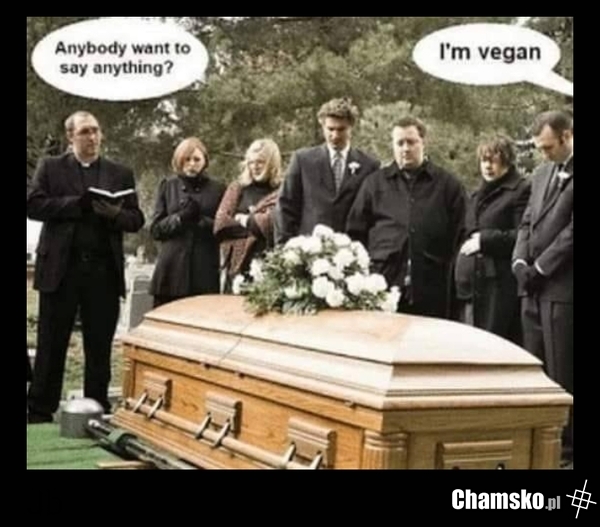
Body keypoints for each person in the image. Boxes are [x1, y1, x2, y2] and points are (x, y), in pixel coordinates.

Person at [26, 111, 145, 422]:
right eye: (85, 132)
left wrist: (114, 215)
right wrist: (75, 204)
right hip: (60, 270)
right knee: (52, 343)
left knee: (99, 345)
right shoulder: (51, 167)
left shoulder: (119, 172)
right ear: (70, 136)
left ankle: (96, 408)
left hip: (102, 272)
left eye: (96, 131)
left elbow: (136, 219)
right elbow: (33, 205)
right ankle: (39, 409)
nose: (92, 137)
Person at [347, 116, 466, 319]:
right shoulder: (374, 184)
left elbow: (461, 233)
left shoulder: (448, 186)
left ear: (423, 142)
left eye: (411, 142)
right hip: (382, 286)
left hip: (432, 289)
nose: (405, 148)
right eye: (400, 143)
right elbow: (355, 234)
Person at [512, 110, 573, 464]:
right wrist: (520, 262)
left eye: (548, 147)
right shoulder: (540, 174)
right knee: (534, 366)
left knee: (562, 369)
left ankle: (565, 448)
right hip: (531, 288)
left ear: (567, 137)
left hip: (563, 289)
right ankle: (536, 443)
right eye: (539, 148)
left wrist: (541, 266)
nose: (544, 154)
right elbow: (527, 222)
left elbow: (572, 233)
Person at [454, 136, 531, 344]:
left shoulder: (521, 190)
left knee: (493, 346)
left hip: (498, 288)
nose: (488, 166)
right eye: (484, 160)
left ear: (507, 161)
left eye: (494, 161)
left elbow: (524, 236)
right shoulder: (476, 194)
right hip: (471, 287)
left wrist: (485, 241)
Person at [275, 97, 379, 244]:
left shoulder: (369, 165)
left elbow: (374, 213)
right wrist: (285, 247)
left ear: (351, 127)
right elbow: (286, 206)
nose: (335, 136)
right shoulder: (303, 160)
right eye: (330, 129)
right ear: (322, 126)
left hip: (353, 249)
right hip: (309, 249)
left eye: (341, 129)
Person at [149, 137, 225, 307]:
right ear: (179, 160)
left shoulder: (218, 189)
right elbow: (155, 230)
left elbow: (223, 229)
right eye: (187, 159)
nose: (192, 164)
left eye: (197, 159)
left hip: (203, 271)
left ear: (205, 161)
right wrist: (180, 218)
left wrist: (201, 221)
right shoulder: (168, 186)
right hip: (171, 271)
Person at [214, 139, 282, 292]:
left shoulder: (282, 191)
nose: (255, 167)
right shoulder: (237, 188)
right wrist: (256, 226)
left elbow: (275, 225)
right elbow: (220, 225)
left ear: (272, 163)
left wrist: (244, 219)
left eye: (260, 162)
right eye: (251, 162)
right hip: (238, 269)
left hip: (270, 266)